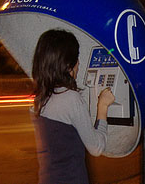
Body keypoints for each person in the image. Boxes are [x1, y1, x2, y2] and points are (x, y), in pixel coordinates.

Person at [31, 29, 115, 184]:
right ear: (67, 64)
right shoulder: (70, 98)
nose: (79, 64)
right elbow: (96, 148)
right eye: (76, 58)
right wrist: (102, 106)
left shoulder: (41, 99)